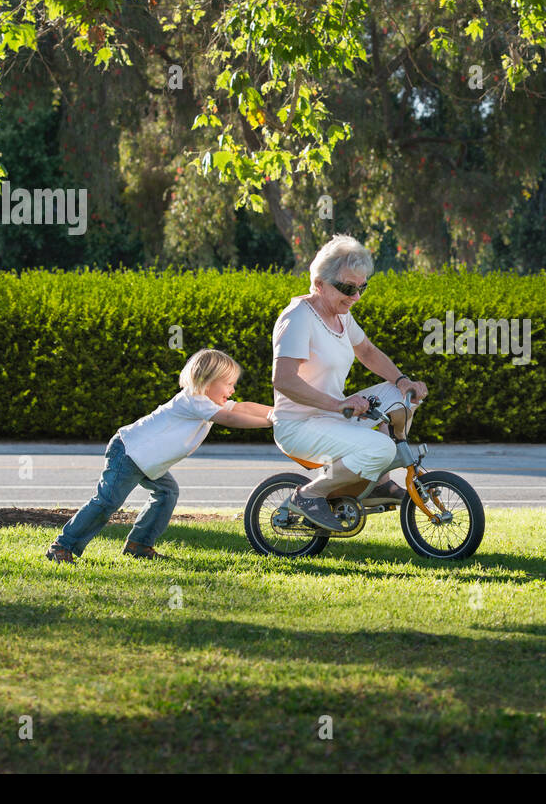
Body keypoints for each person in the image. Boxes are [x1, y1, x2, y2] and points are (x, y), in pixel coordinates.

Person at [44, 349, 272, 563]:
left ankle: (139, 545)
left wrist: (276, 412)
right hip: (129, 452)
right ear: (207, 380)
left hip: (146, 461)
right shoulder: (194, 400)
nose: (232, 390)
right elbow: (231, 419)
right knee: (107, 502)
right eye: (229, 384)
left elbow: (242, 408)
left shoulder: (206, 402)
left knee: (166, 492)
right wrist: (271, 421)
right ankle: (62, 546)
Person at [271, 234, 428, 531]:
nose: (355, 296)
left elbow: (367, 351)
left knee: (400, 396)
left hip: (332, 416)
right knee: (380, 448)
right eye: (347, 288)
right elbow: (284, 381)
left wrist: (402, 379)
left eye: (362, 287)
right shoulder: (297, 318)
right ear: (319, 284)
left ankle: (380, 482)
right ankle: (309, 494)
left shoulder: (341, 316)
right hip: (299, 425)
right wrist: (340, 404)